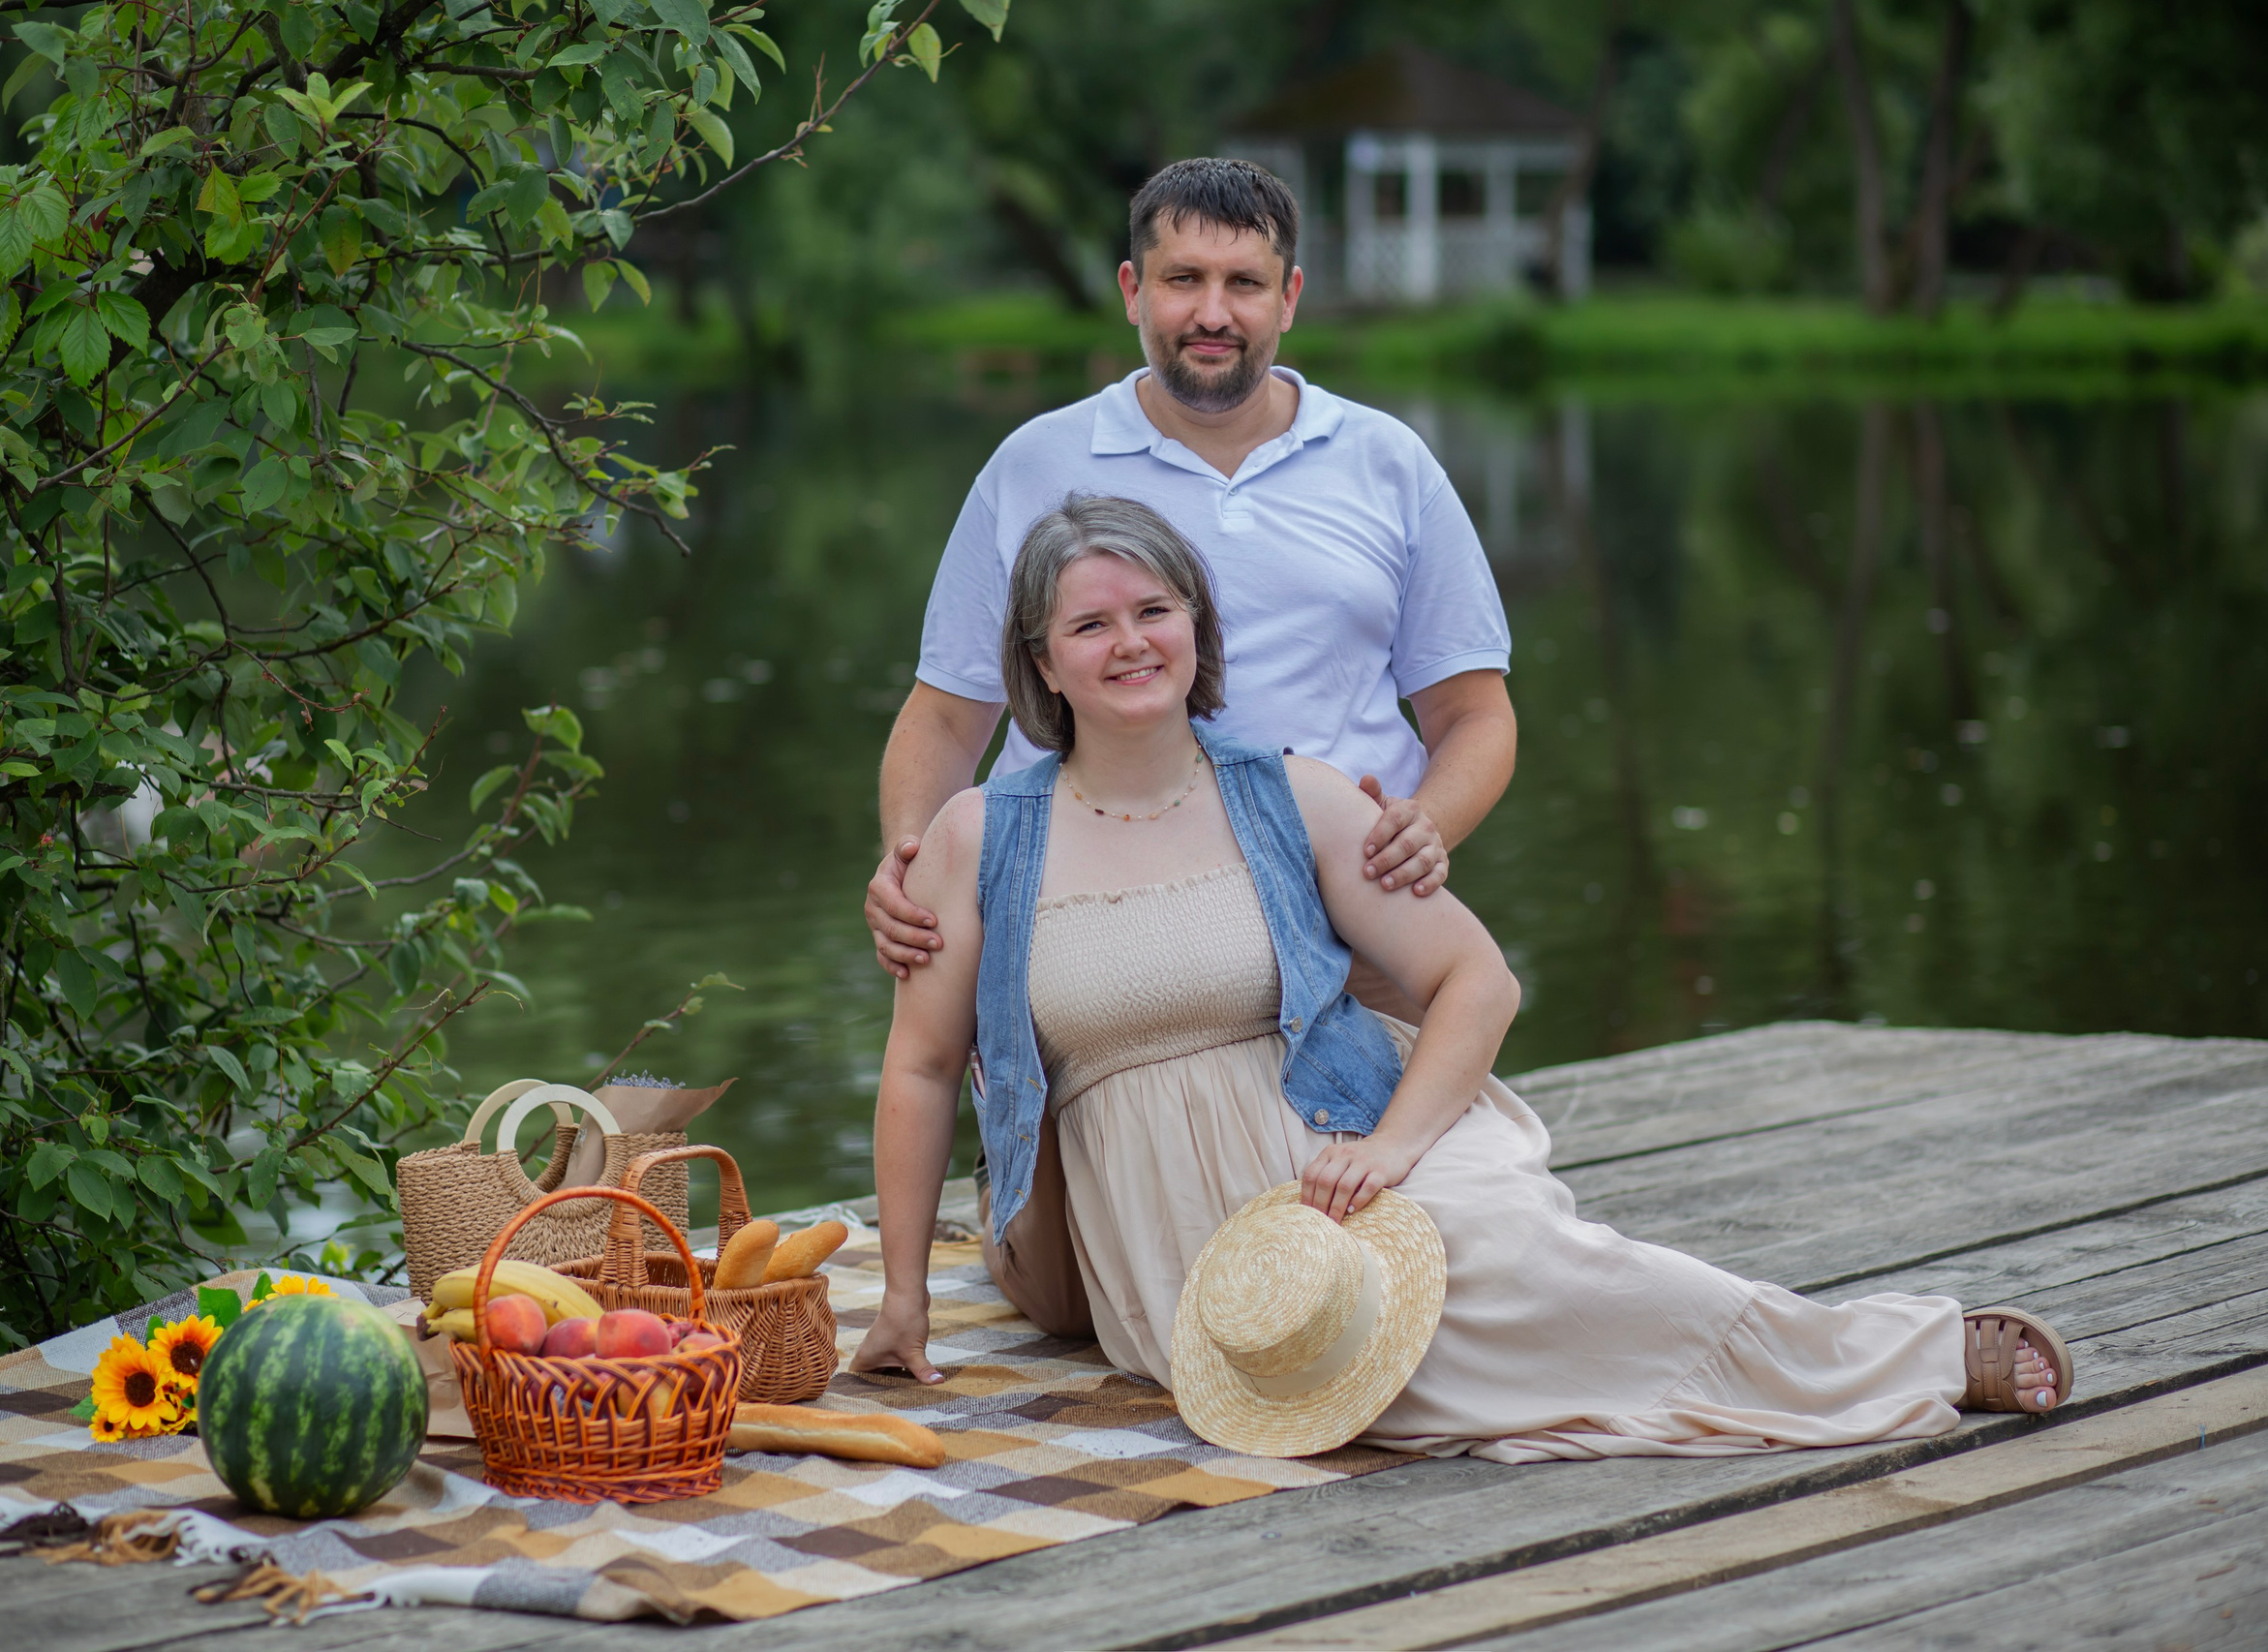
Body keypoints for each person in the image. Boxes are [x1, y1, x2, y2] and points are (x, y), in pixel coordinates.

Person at [850, 496, 2070, 1461]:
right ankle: (1772, 1369)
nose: (1130, 643)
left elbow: (1477, 980)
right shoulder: (978, 835)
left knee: (1500, 1256)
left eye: (1154, 609)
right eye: (1090, 624)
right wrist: (902, 1296)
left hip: (1349, 1123)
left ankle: (1898, 1354)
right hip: (1162, 1206)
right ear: (1040, 664)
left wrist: (1388, 1150)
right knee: (1337, 1353)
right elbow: (916, 1067)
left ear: (1197, 627)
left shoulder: (1293, 792)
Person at [866, 157, 1517, 1334]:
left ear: (1290, 296)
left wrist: (1429, 828)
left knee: (1424, 1266)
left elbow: (1475, 715)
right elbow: (946, 713)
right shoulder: (1035, 465)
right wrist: (914, 863)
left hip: (1352, 930)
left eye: (1241, 281)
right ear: (1130, 289)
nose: (1210, 311)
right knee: (1145, 1287)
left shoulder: (1385, 463)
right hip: (1101, 959)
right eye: (1181, 279)